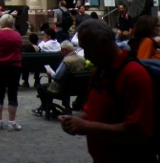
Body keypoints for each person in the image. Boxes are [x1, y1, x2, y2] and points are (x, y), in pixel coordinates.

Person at [59, 18, 154, 163]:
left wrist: (87, 126)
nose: (86, 55)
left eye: (88, 49)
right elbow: (90, 111)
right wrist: (75, 120)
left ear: (103, 43)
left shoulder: (133, 74)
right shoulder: (99, 72)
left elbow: (139, 134)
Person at [0, 14, 22, 130]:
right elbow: (19, 50)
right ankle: (12, 122)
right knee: (13, 94)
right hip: (14, 66)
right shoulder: (17, 35)